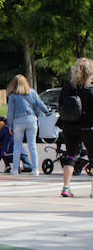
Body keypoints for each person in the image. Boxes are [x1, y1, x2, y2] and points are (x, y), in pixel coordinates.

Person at [57, 58, 93, 197]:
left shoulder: (67, 88)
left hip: (69, 126)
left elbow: (61, 106)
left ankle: (66, 187)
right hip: (88, 127)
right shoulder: (90, 89)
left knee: (71, 155)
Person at [5, 74, 47, 176]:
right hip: (32, 120)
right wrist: (47, 110)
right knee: (32, 145)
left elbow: (10, 112)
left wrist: (10, 126)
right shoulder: (32, 92)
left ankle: (15, 169)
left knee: (17, 146)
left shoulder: (13, 96)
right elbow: (40, 104)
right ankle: (35, 169)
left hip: (18, 122)